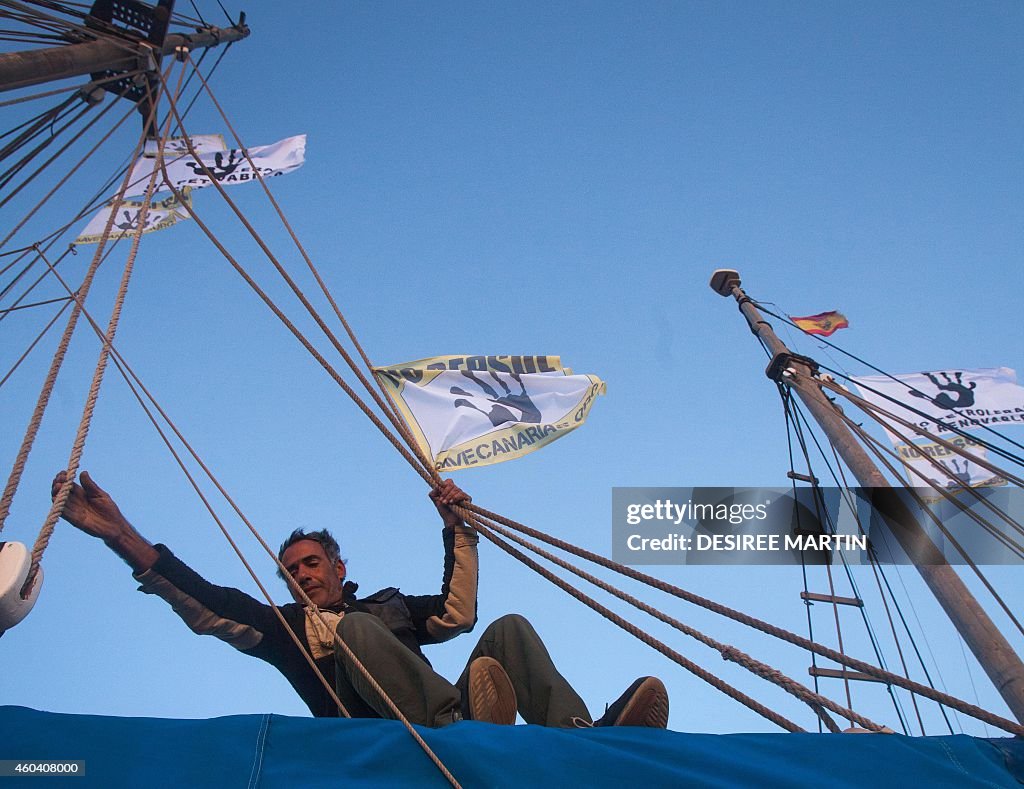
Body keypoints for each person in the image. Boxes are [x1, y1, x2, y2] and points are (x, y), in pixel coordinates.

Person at [53, 470, 669, 729]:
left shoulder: (387, 609)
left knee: (508, 629)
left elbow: (459, 615)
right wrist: (123, 536)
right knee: (351, 634)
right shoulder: (284, 629)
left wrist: (459, 527)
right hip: (389, 727)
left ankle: (589, 738)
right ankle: (456, 723)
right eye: (292, 570)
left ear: (339, 567)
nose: (303, 575)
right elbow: (206, 602)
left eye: (312, 563)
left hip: (435, 684)